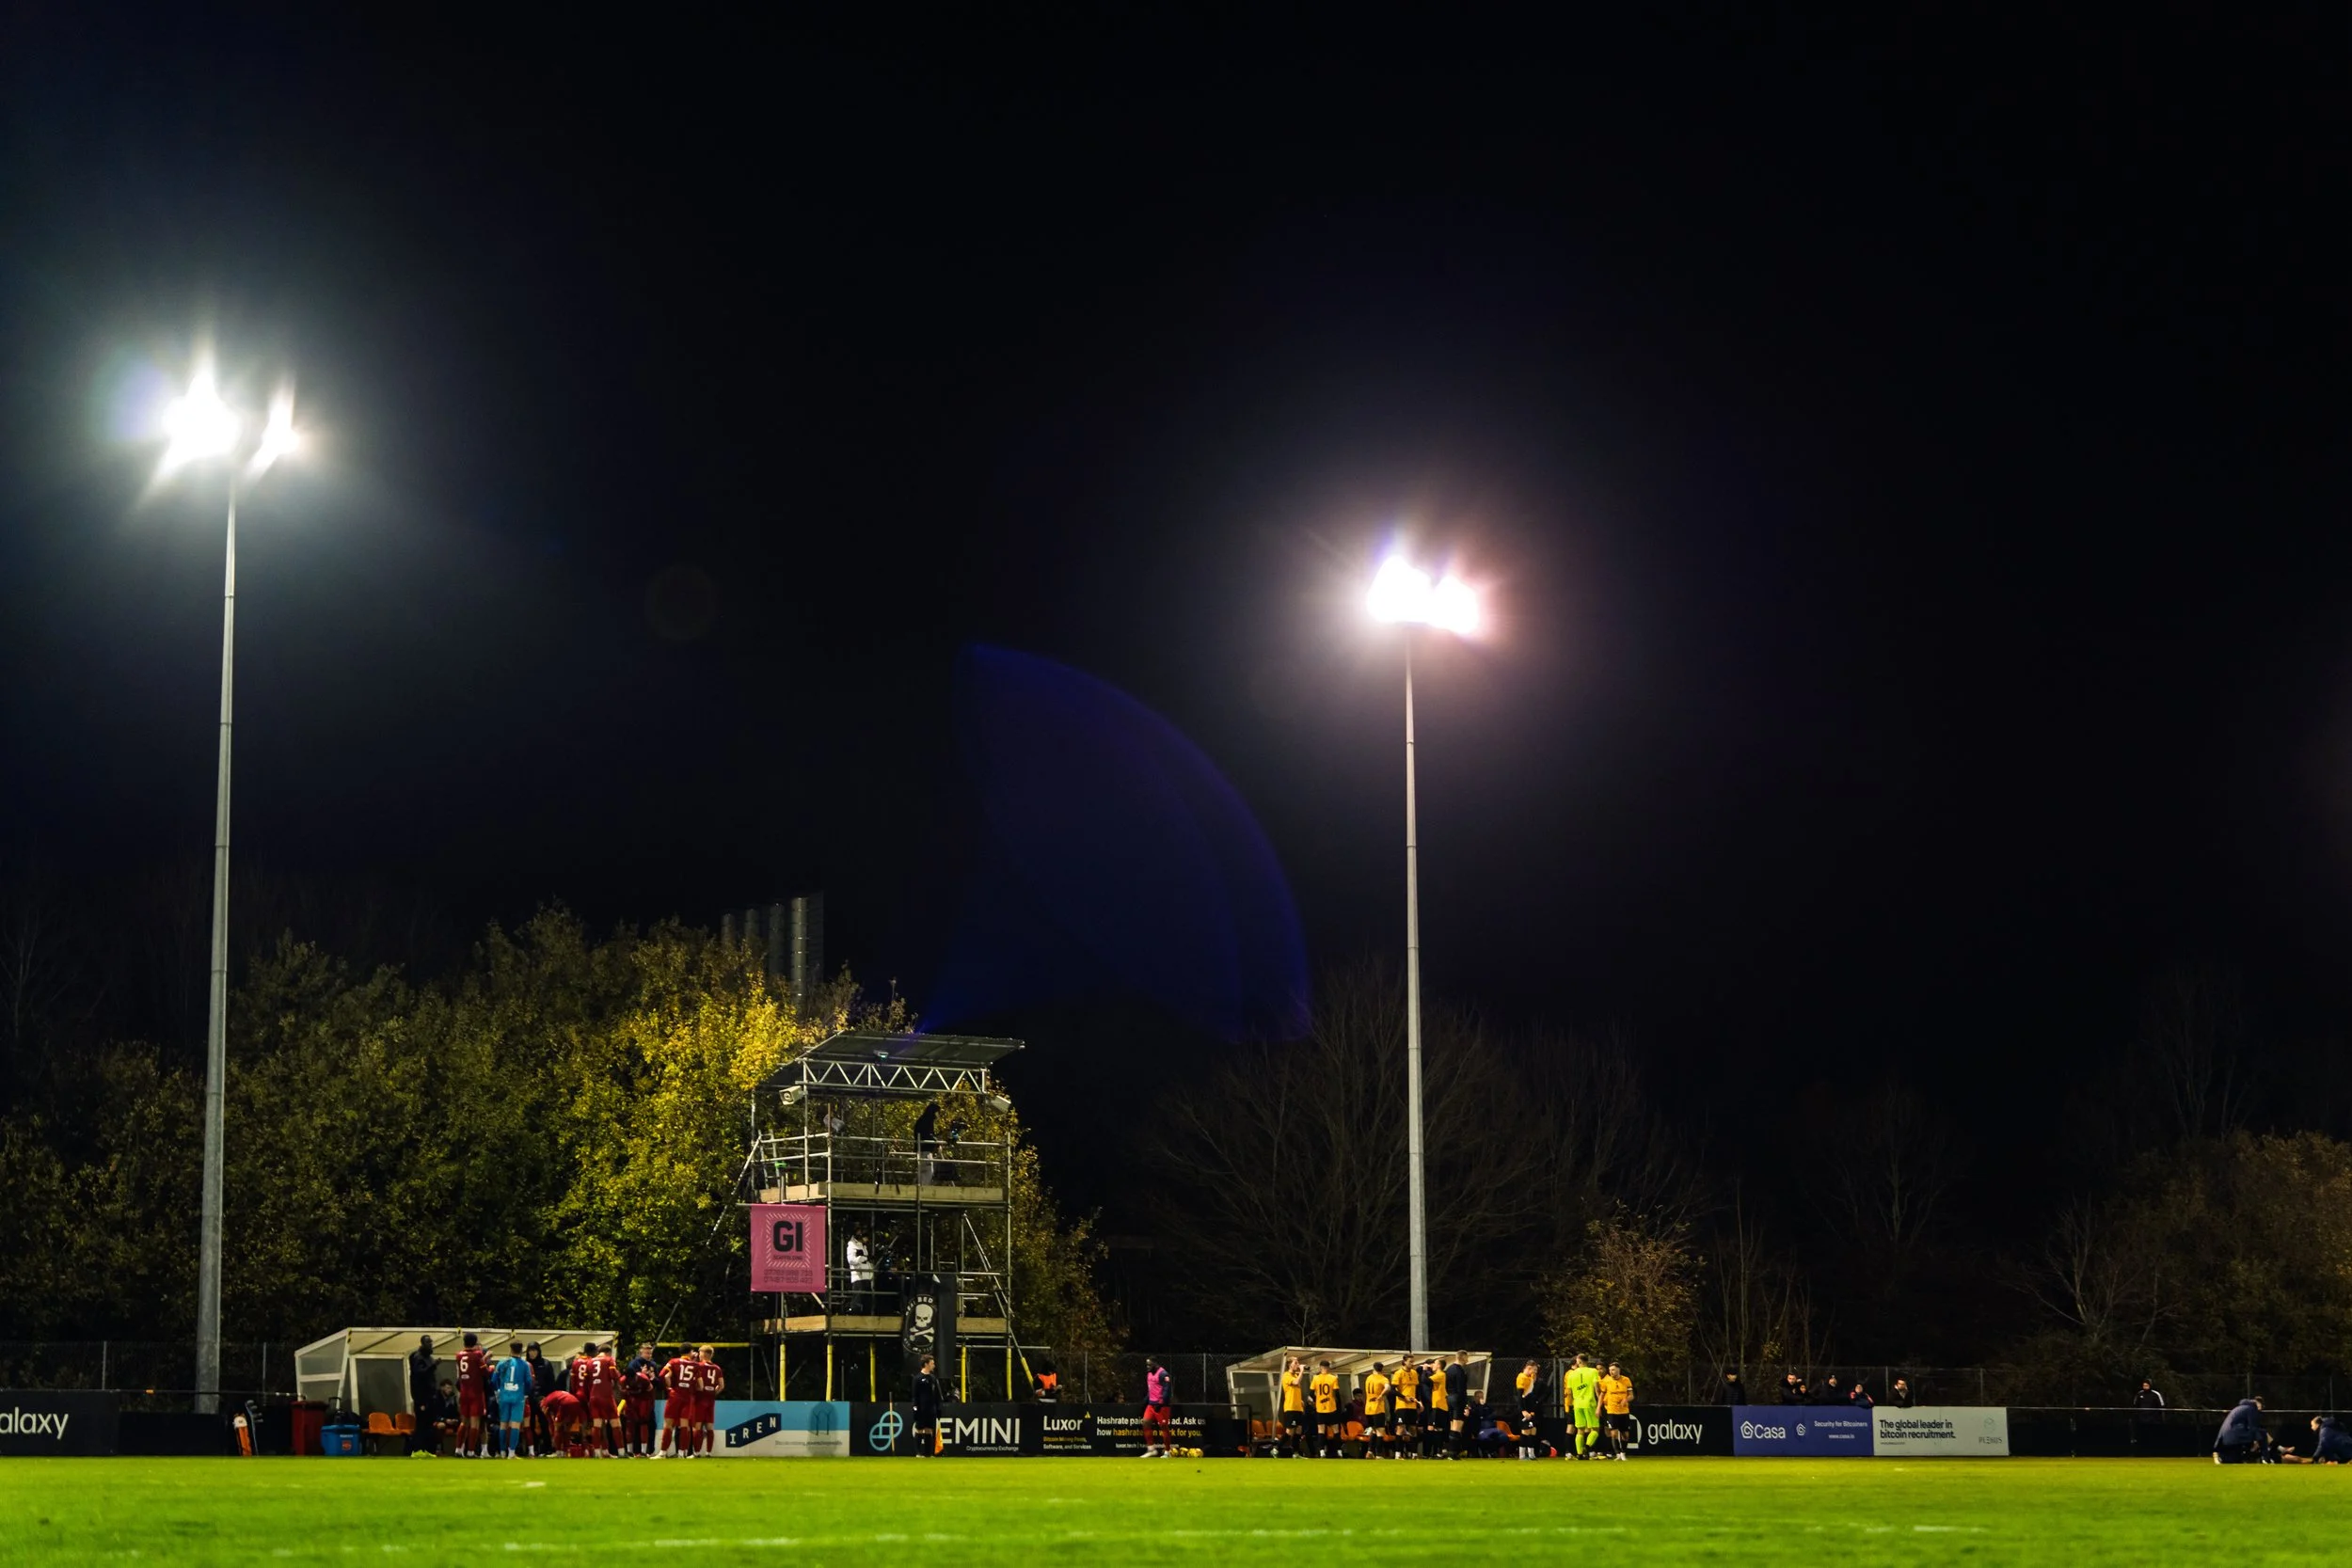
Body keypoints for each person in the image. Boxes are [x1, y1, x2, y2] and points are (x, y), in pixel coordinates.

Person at [454, 1333, 493, 1458]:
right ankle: (470, 1451)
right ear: (475, 1342)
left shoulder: (459, 1355)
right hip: (475, 1392)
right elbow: (485, 1373)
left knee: (463, 1422)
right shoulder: (477, 1355)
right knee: (475, 1423)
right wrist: (491, 1367)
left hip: (464, 1392)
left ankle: (458, 1449)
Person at [493, 1340, 533, 1458]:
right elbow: (529, 1382)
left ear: (510, 1349)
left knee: (503, 1424)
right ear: (521, 1350)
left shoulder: (502, 1362)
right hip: (518, 1396)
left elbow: (493, 1380)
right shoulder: (525, 1365)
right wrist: (525, 1394)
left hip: (504, 1396)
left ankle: (502, 1452)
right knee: (515, 1424)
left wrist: (497, 1392)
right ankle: (511, 1452)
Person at [654, 1350, 694, 1458]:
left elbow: (663, 1375)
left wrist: (668, 1387)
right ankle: (682, 1453)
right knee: (684, 1426)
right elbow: (700, 1385)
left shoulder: (674, 1362)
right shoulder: (695, 1365)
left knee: (668, 1424)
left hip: (675, 1396)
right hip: (688, 1397)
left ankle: (663, 1452)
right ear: (690, 1352)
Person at [622, 1344, 659, 1456]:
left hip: (645, 1400)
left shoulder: (650, 1368)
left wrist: (653, 1378)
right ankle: (631, 1450)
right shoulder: (632, 1367)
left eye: (650, 1353)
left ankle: (645, 1450)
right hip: (633, 1400)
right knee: (631, 1424)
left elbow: (653, 1386)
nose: (649, 1355)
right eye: (647, 1353)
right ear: (641, 1353)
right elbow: (623, 1391)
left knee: (646, 1423)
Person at [1565, 1354, 1601, 1461]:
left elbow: (1569, 1392)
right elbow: (1597, 1389)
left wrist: (1571, 1404)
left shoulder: (1571, 1374)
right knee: (1595, 1429)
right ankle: (1587, 1447)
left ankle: (1579, 1454)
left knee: (1580, 1430)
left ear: (1579, 1362)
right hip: (1589, 1403)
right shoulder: (1593, 1371)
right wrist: (1600, 1404)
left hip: (1577, 1404)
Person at [692, 1344, 725, 1456]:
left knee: (697, 1426)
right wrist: (713, 1392)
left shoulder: (698, 1366)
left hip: (700, 1398)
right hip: (710, 1400)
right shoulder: (717, 1368)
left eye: (700, 1352)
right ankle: (708, 1452)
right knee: (710, 1427)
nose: (699, 1355)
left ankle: (696, 1452)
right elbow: (721, 1385)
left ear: (705, 1353)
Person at [2213, 1396, 2266, 1464]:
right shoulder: (2251, 1409)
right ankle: (2266, 1459)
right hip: (2236, 1438)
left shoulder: (2237, 1409)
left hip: (2225, 1441)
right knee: (2263, 1433)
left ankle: (2221, 1456)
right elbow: (2253, 1427)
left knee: (2233, 1459)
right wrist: (2256, 1440)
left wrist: (2216, 1447)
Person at [525, 1342, 556, 1457]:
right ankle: (533, 1448)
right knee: (530, 1425)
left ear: (538, 1351)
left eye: (534, 1350)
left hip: (543, 1399)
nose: (532, 1353)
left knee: (545, 1423)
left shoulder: (546, 1364)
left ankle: (547, 1447)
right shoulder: (525, 1364)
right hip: (529, 1398)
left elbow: (551, 1383)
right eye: (530, 1351)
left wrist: (549, 1398)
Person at [910, 1354, 943, 1457]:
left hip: (931, 1409)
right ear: (926, 1364)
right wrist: (915, 1408)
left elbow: (937, 1394)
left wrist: (938, 1408)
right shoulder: (917, 1378)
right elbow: (914, 1396)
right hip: (921, 1409)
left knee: (929, 1430)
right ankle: (918, 1453)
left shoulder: (933, 1378)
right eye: (932, 1363)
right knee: (920, 1429)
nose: (934, 1365)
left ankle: (929, 1453)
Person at [1142, 1359, 1175, 1457]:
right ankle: (1151, 1449)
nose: (1148, 1367)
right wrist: (1144, 1402)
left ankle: (1167, 1451)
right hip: (1151, 1404)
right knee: (1145, 1422)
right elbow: (1151, 1390)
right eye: (1147, 1365)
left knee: (1163, 1427)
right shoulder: (1149, 1374)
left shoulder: (1163, 1374)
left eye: (1149, 1365)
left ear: (1155, 1364)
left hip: (1162, 1405)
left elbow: (1167, 1390)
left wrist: (1161, 1403)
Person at [1443, 1353, 1473, 1459]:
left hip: (1450, 1397)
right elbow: (1462, 1389)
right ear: (1463, 1357)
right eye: (1467, 1357)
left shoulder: (1449, 1369)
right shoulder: (1460, 1371)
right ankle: (1453, 1453)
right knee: (1457, 1426)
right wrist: (1466, 1404)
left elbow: (1446, 1386)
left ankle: (1450, 1451)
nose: (1468, 1359)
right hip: (1458, 1399)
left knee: (1452, 1425)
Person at [1391, 1357, 1422, 1460]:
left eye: (1413, 1361)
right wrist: (1404, 1397)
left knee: (1413, 1429)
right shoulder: (1398, 1373)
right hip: (1402, 1405)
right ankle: (1398, 1454)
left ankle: (1414, 1454)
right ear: (1404, 1362)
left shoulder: (1414, 1373)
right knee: (1400, 1428)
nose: (1412, 1363)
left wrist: (1419, 1402)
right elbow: (1392, 1390)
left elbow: (1417, 1390)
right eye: (1410, 1362)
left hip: (1412, 1406)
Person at [1311, 1359, 1342, 1458]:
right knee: (1336, 1430)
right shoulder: (1333, 1378)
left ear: (1320, 1367)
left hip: (1320, 1408)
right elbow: (1337, 1394)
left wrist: (1316, 1401)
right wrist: (1339, 1407)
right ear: (1328, 1368)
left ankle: (1321, 1451)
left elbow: (1311, 1394)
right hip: (1331, 1407)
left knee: (1321, 1430)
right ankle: (1339, 1450)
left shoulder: (1315, 1378)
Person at [1359, 1362, 1391, 1459]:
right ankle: (1378, 1454)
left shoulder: (1369, 1378)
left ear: (1373, 1368)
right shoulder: (1383, 1378)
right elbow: (1388, 1387)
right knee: (1380, 1431)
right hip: (1377, 1408)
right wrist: (1382, 1395)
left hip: (1368, 1408)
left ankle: (1369, 1451)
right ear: (1382, 1369)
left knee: (1374, 1430)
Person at [1279, 1355, 1308, 1457]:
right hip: (1290, 1407)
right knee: (1290, 1431)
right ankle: (1276, 1448)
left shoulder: (1296, 1375)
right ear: (1289, 1365)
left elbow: (1294, 1390)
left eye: (1298, 1362)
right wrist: (1302, 1371)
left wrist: (1300, 1401)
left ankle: (1295, 1452)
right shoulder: (1286, 1375)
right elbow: (1295, 1382)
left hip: (1298, 1407)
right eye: (1295, 1362)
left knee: (1299, 1430)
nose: (1298, 1364)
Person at [540, 1385, 581, 1455]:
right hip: (576, 1402)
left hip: (565, 1403)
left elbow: (550, 1421)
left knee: (557, 1428)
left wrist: (553, 1435)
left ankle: (558, 1452)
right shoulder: (553, 1397)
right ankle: (565, 1451)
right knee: (567, 1428)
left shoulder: (544, 1403)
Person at [1513, 1361, 1541, 1461]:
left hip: (1530, 1408)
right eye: (1534, 1370)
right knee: (1525, 1431)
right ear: (1529, 1368)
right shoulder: (1521, 1378)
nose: (1535, 1372)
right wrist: (1523, 1410)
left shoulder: (1530, 1378)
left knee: (1533, 1430)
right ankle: (1522, 1455)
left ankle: (1531, 1454)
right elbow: (1520, 1396)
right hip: (1524, 1409)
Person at [847, 1230, 873, 1311]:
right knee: (858, 1298)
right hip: (858, 1275)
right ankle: (854, 1312)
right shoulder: (852, 1246)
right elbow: (851, 1260)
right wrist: (863, 1258)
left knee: (867, 1298)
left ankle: (866, 1313)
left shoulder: (864, 1246)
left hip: (866, 1275)